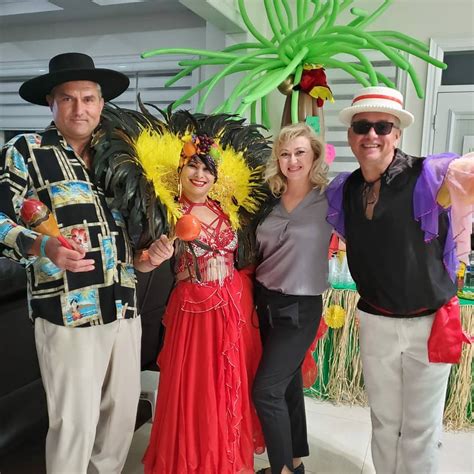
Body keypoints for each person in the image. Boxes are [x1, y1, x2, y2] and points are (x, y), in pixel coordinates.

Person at [0, 52, 146, 473]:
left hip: (123, 304)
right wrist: (42, 247)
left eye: (88, 98)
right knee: (74, 425)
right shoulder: (26, 151)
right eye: (67, 98)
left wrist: (148, 254)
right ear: (51, 103)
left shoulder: (119, 156)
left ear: (101, 104)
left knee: (120, 418)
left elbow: (132, 227)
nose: (79, 108)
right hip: (68, 310)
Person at [326, 86, 473, 474]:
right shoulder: (346, 188)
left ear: (397, 133)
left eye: (382, 127)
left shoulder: (429, 176)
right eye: (362, 127)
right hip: (375, 319)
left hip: (429, 322)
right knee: (384, 422)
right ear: (351, 135)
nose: (371, 135)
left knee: (420, 430)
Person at [140, 127, 265, 473]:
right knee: (197, 391)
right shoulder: (167, 212)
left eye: (207, 169)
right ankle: (196, 462)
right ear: (180, 170)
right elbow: (142, 261)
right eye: (193, 166)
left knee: (228, 387)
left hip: (233, 308)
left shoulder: (224, 210)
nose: (200, 175)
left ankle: (224, 459)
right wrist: (152, 257)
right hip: (195, 313)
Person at [252, 123, 332, 474]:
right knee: (286, 387)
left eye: (300, 152)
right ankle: (294, 465)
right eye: (284, 154)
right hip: (264, 302)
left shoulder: (330, 198)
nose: (292, 160)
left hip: (300, 308)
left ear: (314, 155)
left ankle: (280, 470)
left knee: (266, 391)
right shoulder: (269, 199)